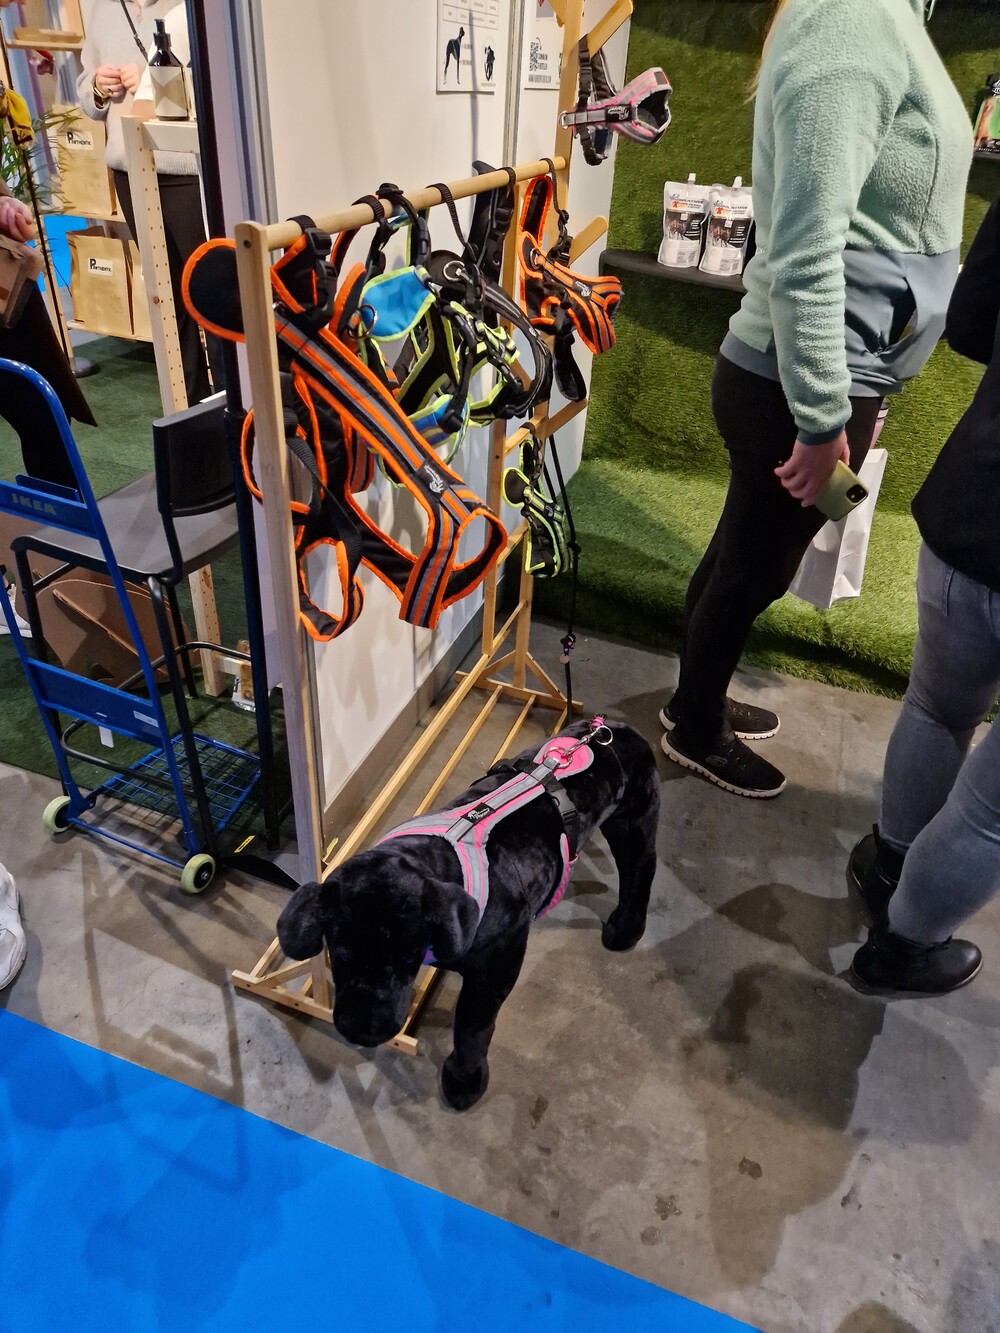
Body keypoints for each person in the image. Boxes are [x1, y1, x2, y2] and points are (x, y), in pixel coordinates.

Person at [659, 0, 972, 798]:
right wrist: (824, 412)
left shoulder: (878, 16)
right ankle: (696, 729)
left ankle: (693, 697)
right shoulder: (849, 16)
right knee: (755, 569)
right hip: (797, 381)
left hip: (809, 372)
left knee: (740, 552)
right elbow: (805, 247)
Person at [847, 197, 1000, 995]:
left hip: (975, 502)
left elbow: (969, 323)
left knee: (937, 706)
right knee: (992, 811)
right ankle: (903, 947)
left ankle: (891, 866)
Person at [77, 0, 218, 403]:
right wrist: (97, 88)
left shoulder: (184, 7)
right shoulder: (103, 8)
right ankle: (187, 410)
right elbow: (86, 91)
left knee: (212, 293)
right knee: (166, 299)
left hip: (186, 169)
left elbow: (213, 79)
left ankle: (235, 407)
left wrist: (155, 81)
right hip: (129, 168)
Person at [0, 182, 96, 488]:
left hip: (8, 285)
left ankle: (63, 514)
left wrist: (4, 200)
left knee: (46, 408)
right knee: (40, 411)